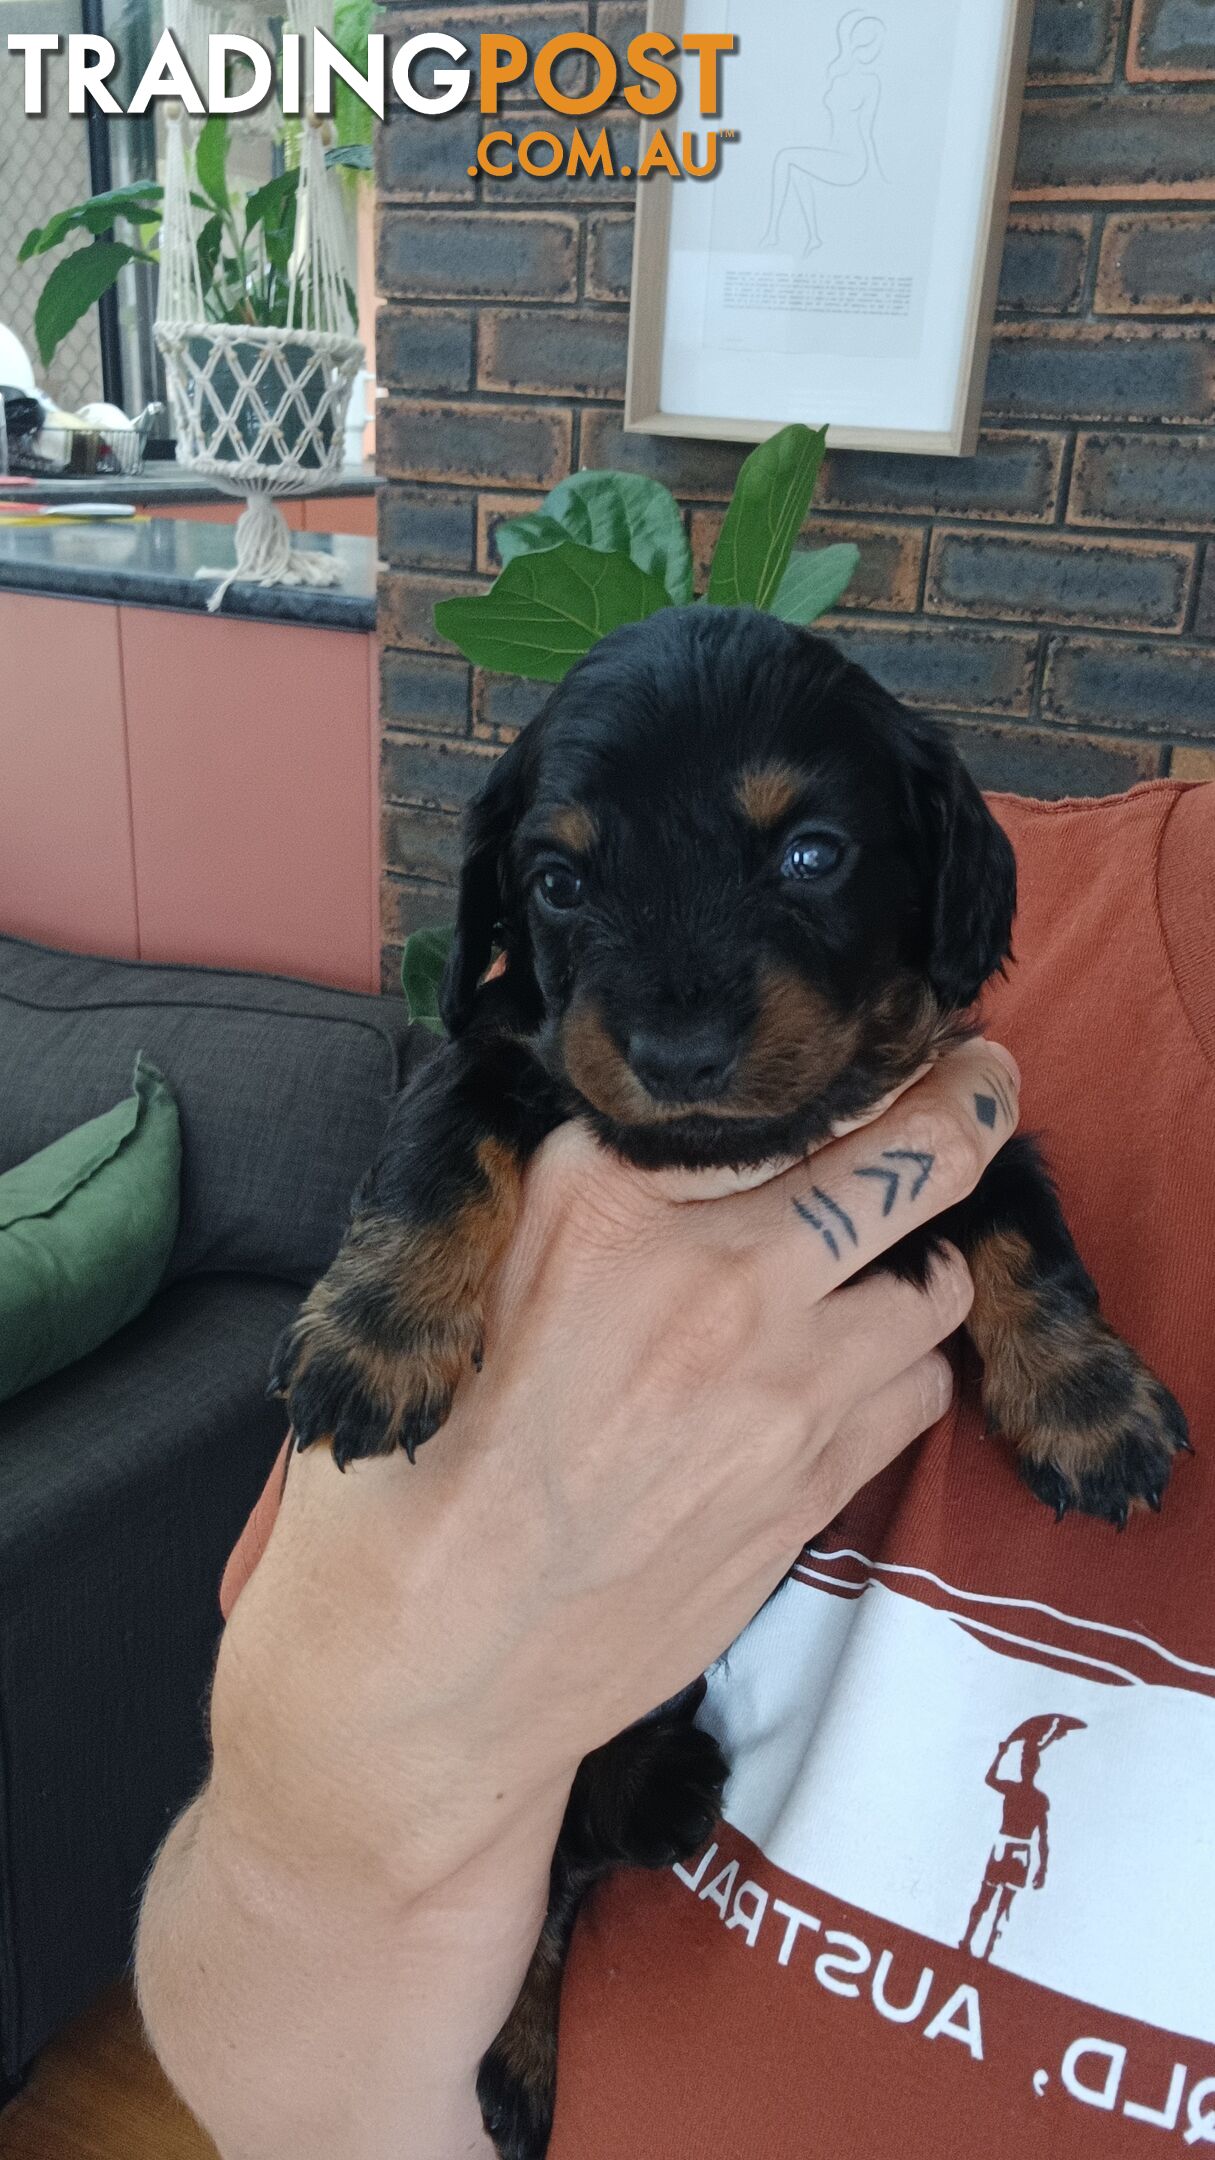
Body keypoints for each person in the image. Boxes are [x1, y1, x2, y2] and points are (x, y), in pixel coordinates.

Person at [136, 778, 1215, 2160]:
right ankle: (536, 1994)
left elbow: (997, 1207)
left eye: (807, 859)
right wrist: (344, 1760)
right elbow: (277, 2065)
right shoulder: (563, 1203)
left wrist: (1051, 1356)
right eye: (570, 886)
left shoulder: (921, 955)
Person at [760, 12, 887, 258]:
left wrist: (879, 172)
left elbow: (868, 130)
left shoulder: (871, 83)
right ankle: (813, 237)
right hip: (833, 152)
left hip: (851, 160)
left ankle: (772, 232)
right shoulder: (836, 76)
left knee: (786, 158)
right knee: (795, 169)